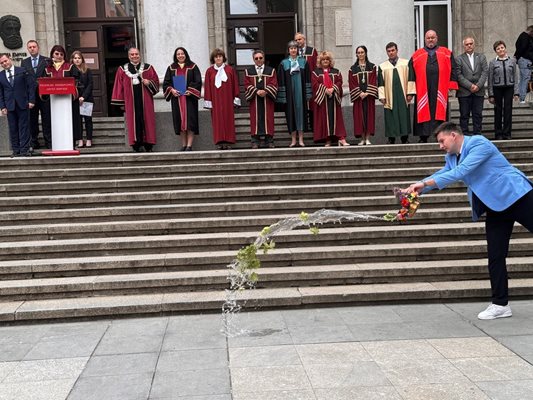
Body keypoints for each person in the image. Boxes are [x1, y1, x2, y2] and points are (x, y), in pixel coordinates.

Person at [402, 121, 533, 320]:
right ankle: (500, 304)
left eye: (442, 141)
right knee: (495, 255)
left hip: (517, 195)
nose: (440, 146)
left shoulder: (479, 144)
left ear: (453, 135)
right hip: (495, 205)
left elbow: (460, 172)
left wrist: (423, 183)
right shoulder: (451, 157)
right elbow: (444, 173)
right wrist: (419, 187)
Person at [410, 30, 458, 143]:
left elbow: (454, 70)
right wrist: (410, 91)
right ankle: (423, 136)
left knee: (439, 112)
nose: (430, 40)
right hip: (422, 89)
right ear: (425, 39)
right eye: (428, 38)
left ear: (437, 38)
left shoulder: (446, 52)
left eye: (433, 37)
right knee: (422, 110)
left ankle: (440, 136)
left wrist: (451, 85)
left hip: (440, 87)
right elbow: (411, 74)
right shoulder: (417, 55)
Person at [111, 47, 159, 152]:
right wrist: (121, 103)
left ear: (140, 55)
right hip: (130, 102)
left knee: (147, 120)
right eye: (132, 54)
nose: (134, 56)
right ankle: (136, 145)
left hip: (145, 101)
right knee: (133, 121)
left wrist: (149, 83)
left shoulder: (148, 68)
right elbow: (119, 86)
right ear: (129, 56)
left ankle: (148, 145)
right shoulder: (122, 69)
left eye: (136, 54)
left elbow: (155, 82)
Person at [163, 47, 202, 151]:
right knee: (180, 122)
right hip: (177, 98)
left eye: (182, 53)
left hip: (189, 99)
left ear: (186, 54)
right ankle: (184, 145)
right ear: (176, 56)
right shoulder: (171, 68)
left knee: (190, 122)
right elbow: (166, 83)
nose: (180, 55)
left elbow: (198, 81)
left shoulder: (193, 66)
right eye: (178, 54)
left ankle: (189, 145)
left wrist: (190, 90)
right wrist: (171, 90)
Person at [378, 42, 415, 144]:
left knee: (404, 115)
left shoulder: (406, 63)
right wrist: (382, 96)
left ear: (397, 50)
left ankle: (404, 138)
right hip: (390, 95)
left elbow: (411, 78)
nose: (391, 53)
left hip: (403, 94)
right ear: (386, 52)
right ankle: (391, 138)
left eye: (393, 50)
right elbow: (380, 83)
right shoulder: (382, 66)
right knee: (390, 116)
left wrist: (410, 93)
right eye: (389, 51)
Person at [277, 40, 312, 147]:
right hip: (289, 94)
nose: (293, 50)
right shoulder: (284, 63)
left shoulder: (303, 62)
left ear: (298, 50)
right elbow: (281, 80)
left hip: (300, 93)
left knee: (301, 115)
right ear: (288, 50)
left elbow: (307, 79)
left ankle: (301, 139)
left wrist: (308, 94)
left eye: (295, 48)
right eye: (291, 48)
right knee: (291, 115)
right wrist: (283, 97)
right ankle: (293, 140)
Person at [44, 45, 82, 146]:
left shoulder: (70, 66)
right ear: (52, 54)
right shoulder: (47, 68)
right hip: (52, 101)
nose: (59, 56)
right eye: (56, 54)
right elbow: (42, 81)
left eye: (61, 54)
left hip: (67, 100)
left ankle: (71, 142)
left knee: (70, 121)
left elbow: (77, 80)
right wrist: (48, 63)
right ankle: (53, 143)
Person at [204, 48, 240, 150]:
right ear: (213, 59)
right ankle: (219, 142)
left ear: (223, 58)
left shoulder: (230, 70)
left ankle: (229, 142)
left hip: (228, 100)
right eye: (216, 57)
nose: (218, 58)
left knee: (228, 120)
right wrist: (209, 101)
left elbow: (235, 85)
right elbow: (207, 87)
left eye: (220, 56)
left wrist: (235, 98)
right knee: (217, 121)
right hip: (215, 101)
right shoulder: (209, 71)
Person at [0, 54, 35, 157]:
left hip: (23, 103)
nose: (4, 64)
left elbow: (30, 86)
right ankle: (16, 150)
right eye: (2, 63)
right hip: (9, 105)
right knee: (13, 128)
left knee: (24, 127)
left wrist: (31, 100)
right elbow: (0, 93)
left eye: (5, 61)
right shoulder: (1, 75)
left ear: (10, 59)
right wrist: (2, 107)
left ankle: (24, 149)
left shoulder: (22, 71)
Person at [311, 51, 349, 146]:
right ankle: (328, 139)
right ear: (320, 61)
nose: (325, 61)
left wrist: (333, 89)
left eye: (327, 59)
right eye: (323, 59)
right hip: (323, 99)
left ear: (330, 61)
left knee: (337, 119)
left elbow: (340, 81)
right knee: (325, 120)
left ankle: (341, 138)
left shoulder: (336, 71)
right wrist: (325, 90)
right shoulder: (316, 72)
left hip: (334, 99)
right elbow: (315, 84)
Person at [244, 50, 278, 149]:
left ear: (263, 58)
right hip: (255, 99)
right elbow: (246, 84)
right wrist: (256, 91)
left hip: (267, 99)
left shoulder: (271, 71)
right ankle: (255, 141)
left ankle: (269, 140)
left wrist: (266, 91)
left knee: (268, 119)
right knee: (255, 119)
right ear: (253, 59)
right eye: (256, 58)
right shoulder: (248, 71)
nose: (258, 60)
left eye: (260, 58)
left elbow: (274, 83)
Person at [21, 40, 51, 149]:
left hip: (44, 96)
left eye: (34, 46)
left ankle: (49, 141)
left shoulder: (47, 60)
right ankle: (34, 142)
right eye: (30, 47)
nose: (32, 49)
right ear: (28, 49)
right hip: (31, 97)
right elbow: (24, 79)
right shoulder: (24, 63)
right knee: (32, 120)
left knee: (46, 118)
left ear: (38, 48)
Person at [455, 37, 488, 136]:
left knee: (478, 114)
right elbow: (458, 75)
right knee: (464, 115)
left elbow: (485, 72)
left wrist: (478, 85)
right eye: (467, 44)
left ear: (474, 45)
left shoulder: (481, 57)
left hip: (479, 91)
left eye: (471, 44)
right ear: (464, 46)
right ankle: (464, 135)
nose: (469, 46)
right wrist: (470, 86)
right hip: (464, 92)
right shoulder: (459, 59)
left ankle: (477, 134)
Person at [488, 40, 519, 140]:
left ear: (505, 48)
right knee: (498, 111)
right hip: (497, 88)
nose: (500, 50)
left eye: (502, 47)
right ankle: (498, 133)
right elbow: (490, 79)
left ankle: (507, 133)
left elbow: (516, 76)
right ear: (495, 51)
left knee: (508, 111)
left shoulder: (512, 61)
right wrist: (491, 94)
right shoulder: (492, 62)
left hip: (509, 88)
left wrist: (516, 92)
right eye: (498, 48)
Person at [349, 45, 378, 145]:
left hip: (369, 97)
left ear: (365, 53)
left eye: (362, 52)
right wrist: (359, 93)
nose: (360, 54)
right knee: (359, 117)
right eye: (358, 53)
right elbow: (351, 83)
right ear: (356, 54)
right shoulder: (352, 69)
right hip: (359, 98)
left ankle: (368, 138)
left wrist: (367, 92)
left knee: (369, 116)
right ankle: (362, 139)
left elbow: (374, 80)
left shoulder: (372, 67)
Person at [294, 32, 317, 134]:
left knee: (311, 104)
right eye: (296, 40)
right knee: (300, 104)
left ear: (304, 39)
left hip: (310, 82)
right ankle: (303, 127)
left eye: (299, 39)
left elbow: (316, 67)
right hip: (298, 82)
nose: (298, 42)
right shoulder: (294, 52)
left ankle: (312, 127)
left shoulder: (312, 51)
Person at [71, 51, 94, 148]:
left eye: (79, 58)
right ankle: (80, 140)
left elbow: (90, 84)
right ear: (72, 59)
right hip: (75, 99)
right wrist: (77, 96)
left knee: (88, 119)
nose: (77, 60)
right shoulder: (70, 70)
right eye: (75, 58)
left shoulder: (87, 70)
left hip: (86, 98)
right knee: (77, 121)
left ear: (82, 59)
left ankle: (89, 139)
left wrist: (83, 96)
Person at [514, 25, 533, 103]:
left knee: (523, 79)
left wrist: (517, 56)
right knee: (525, 79)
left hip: (523, 60)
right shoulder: (525, 37)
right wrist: (517, 56)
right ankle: (522, 98)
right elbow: (522, 48)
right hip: (525, 60)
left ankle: (520, 97)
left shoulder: (523, 36)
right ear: (531, 31)